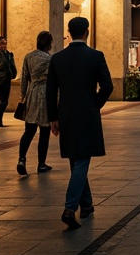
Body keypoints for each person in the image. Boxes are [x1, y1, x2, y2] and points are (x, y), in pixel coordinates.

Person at [46, 16, 113, 230]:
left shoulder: (57, 58)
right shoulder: (95, 56)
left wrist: (53, 117)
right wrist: (95, 104)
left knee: (76, 159)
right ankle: (69, 207)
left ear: (69, 32)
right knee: (82, 160)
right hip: (87, 113)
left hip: (65, 113)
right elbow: (108, 86)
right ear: (87, 32)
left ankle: (87, 205)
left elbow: (50, 90)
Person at [17, 30, 54, 176]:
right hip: (45, 95)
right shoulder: (50, 59)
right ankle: (41, 164)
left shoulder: (28, 57)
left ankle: (21, 159)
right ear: (49, 44)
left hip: (32, 95)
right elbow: (53, 80)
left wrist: (23, 96)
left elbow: (24, 78)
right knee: (44, 132)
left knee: (29, 130)